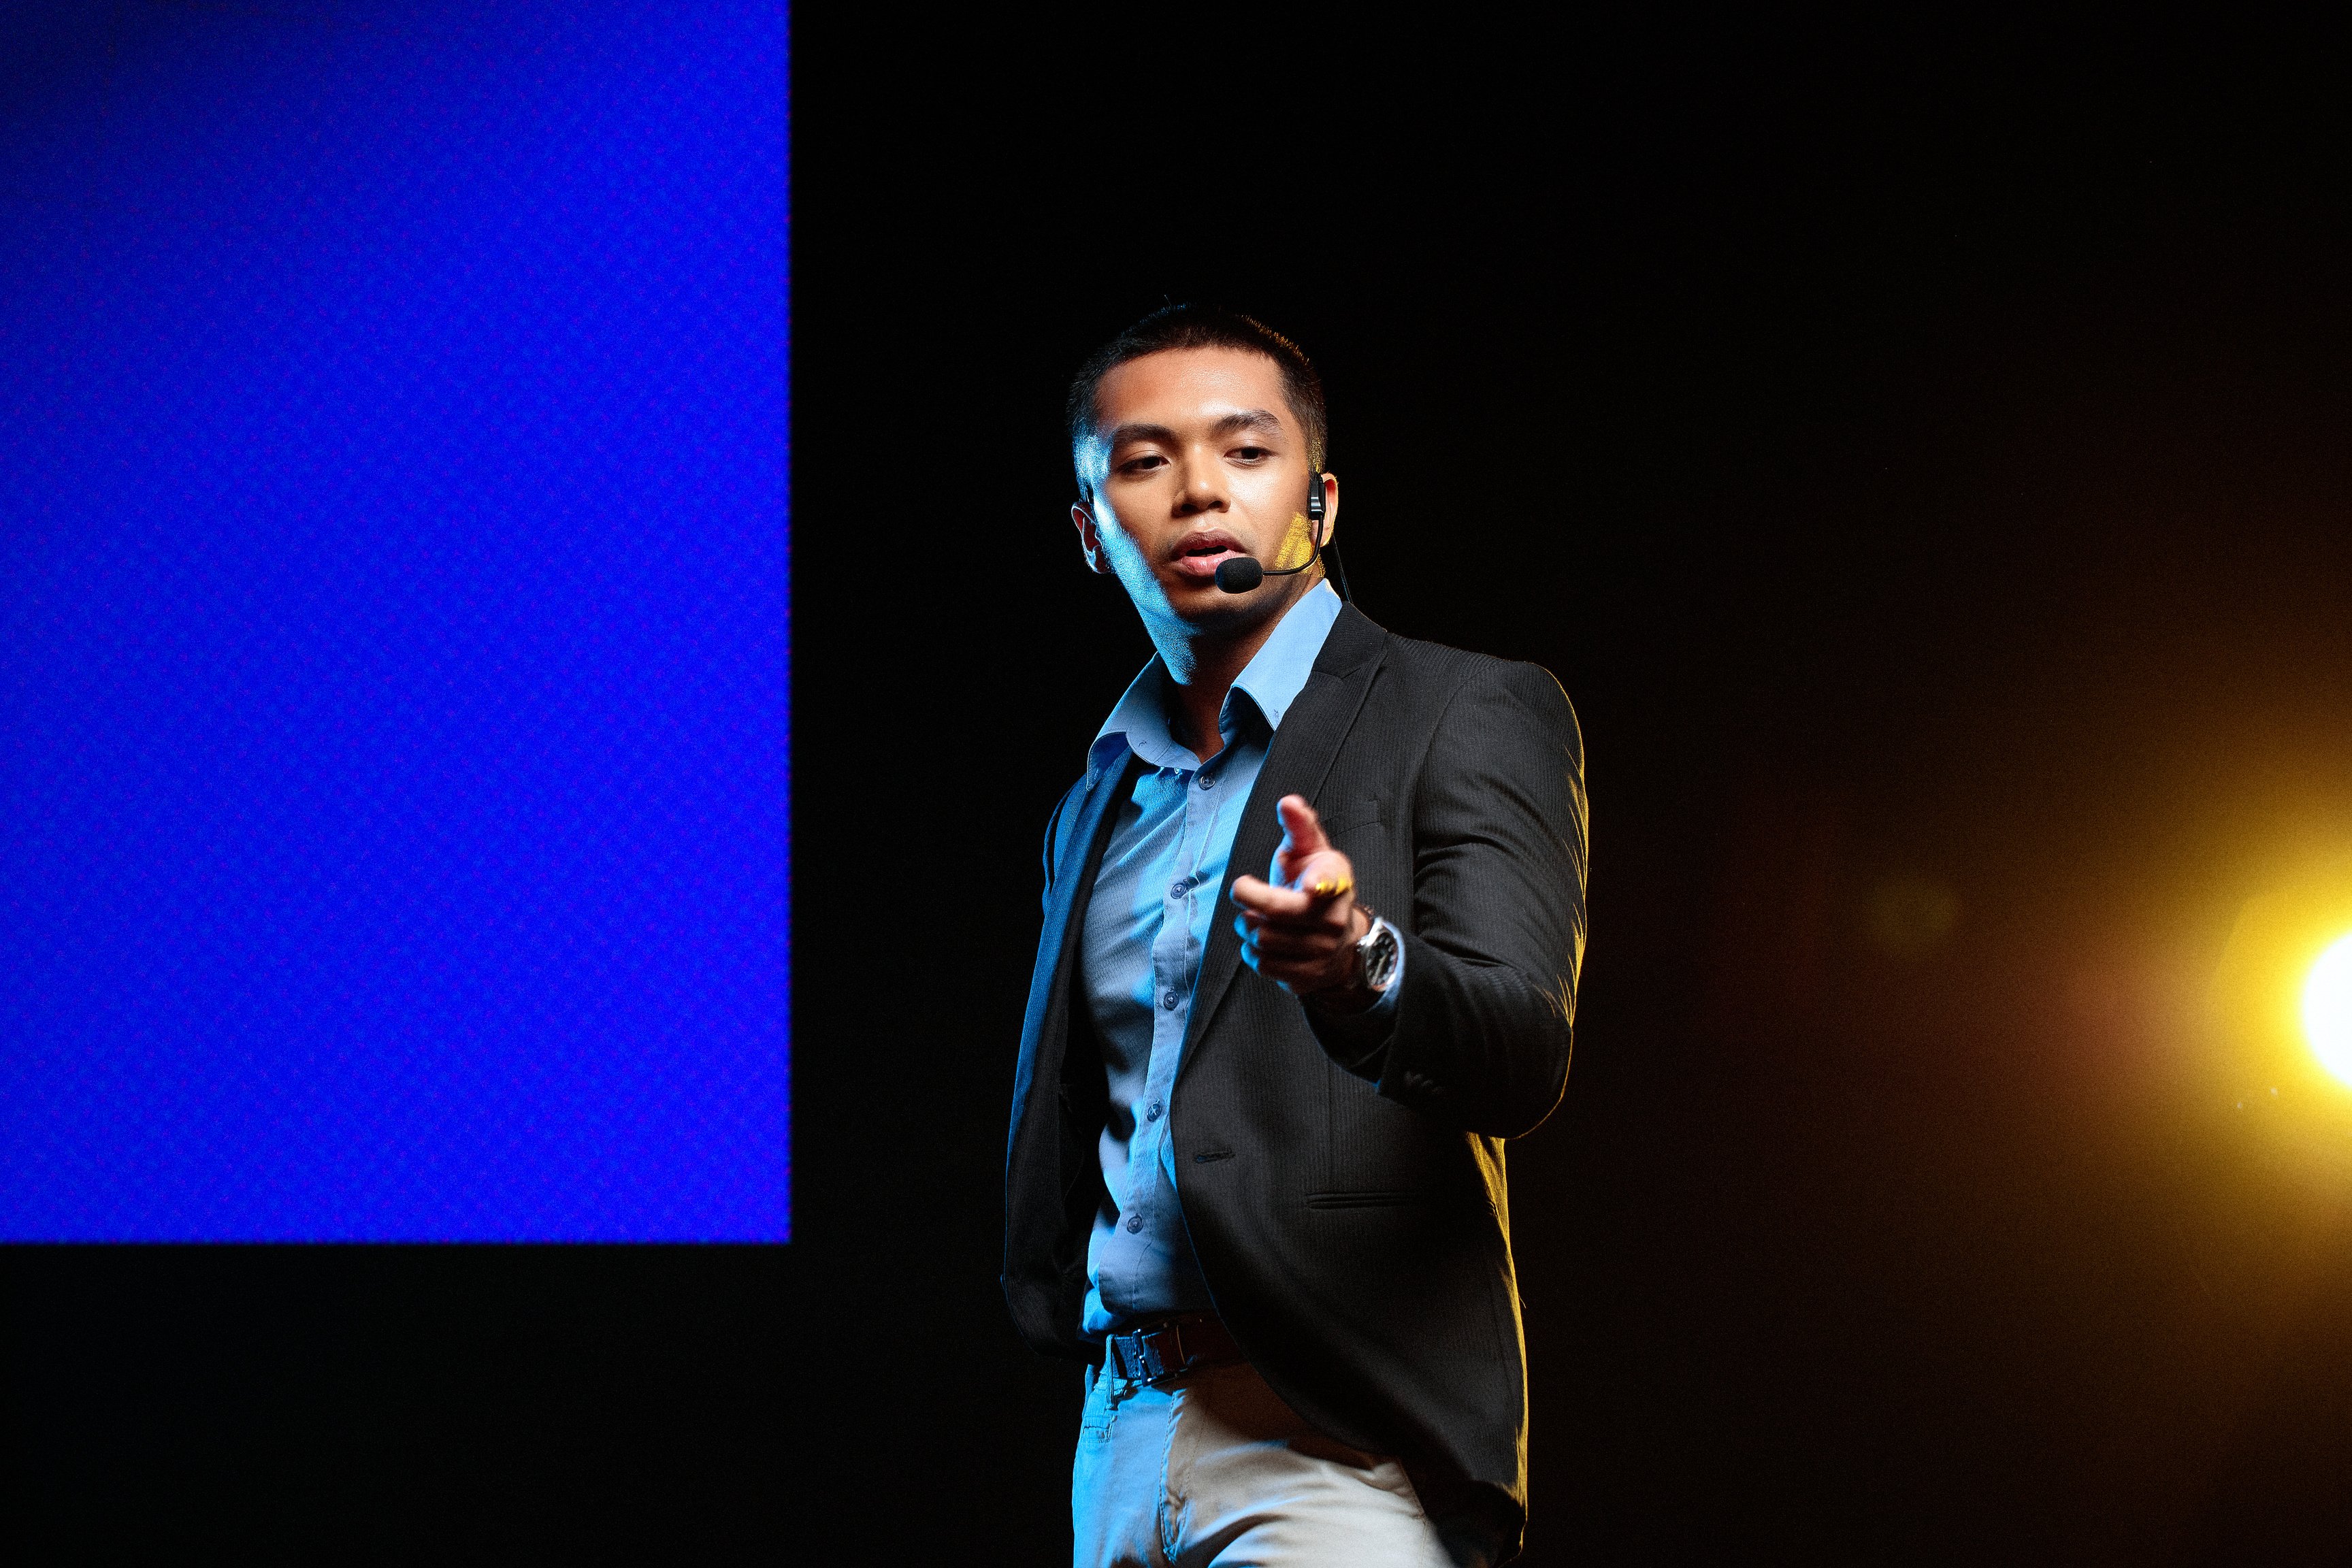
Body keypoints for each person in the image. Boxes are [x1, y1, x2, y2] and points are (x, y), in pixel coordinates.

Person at [1003, 304, 1588, 1567]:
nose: (1200, 487)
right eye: (1144, 461)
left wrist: (1357, 969)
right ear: (1090, 533)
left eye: (1245, 451)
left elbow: (1520, 1051)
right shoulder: (1094, 799)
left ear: (1319, 502)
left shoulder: (1467, 708)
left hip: (1338, 1440)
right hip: (1117, 1437)